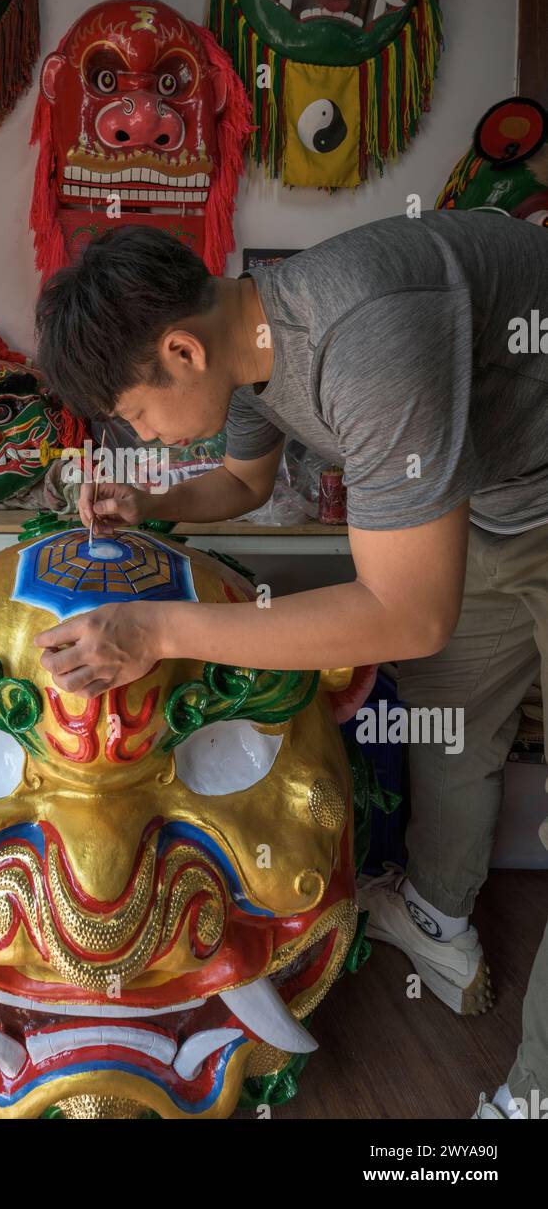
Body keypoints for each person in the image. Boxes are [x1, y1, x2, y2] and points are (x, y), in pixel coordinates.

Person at [33, 214, 548, 1120]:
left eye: (136, 415)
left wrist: (156, 632)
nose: (140, 432)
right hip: (500, 499)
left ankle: (536, 1096)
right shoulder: (242, 337)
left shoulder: (367, 335)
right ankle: (439, 920)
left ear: (181, 351)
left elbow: (407, 612)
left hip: (523, 486)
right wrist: (149, 499)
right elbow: (242, 482)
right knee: (454, 722)